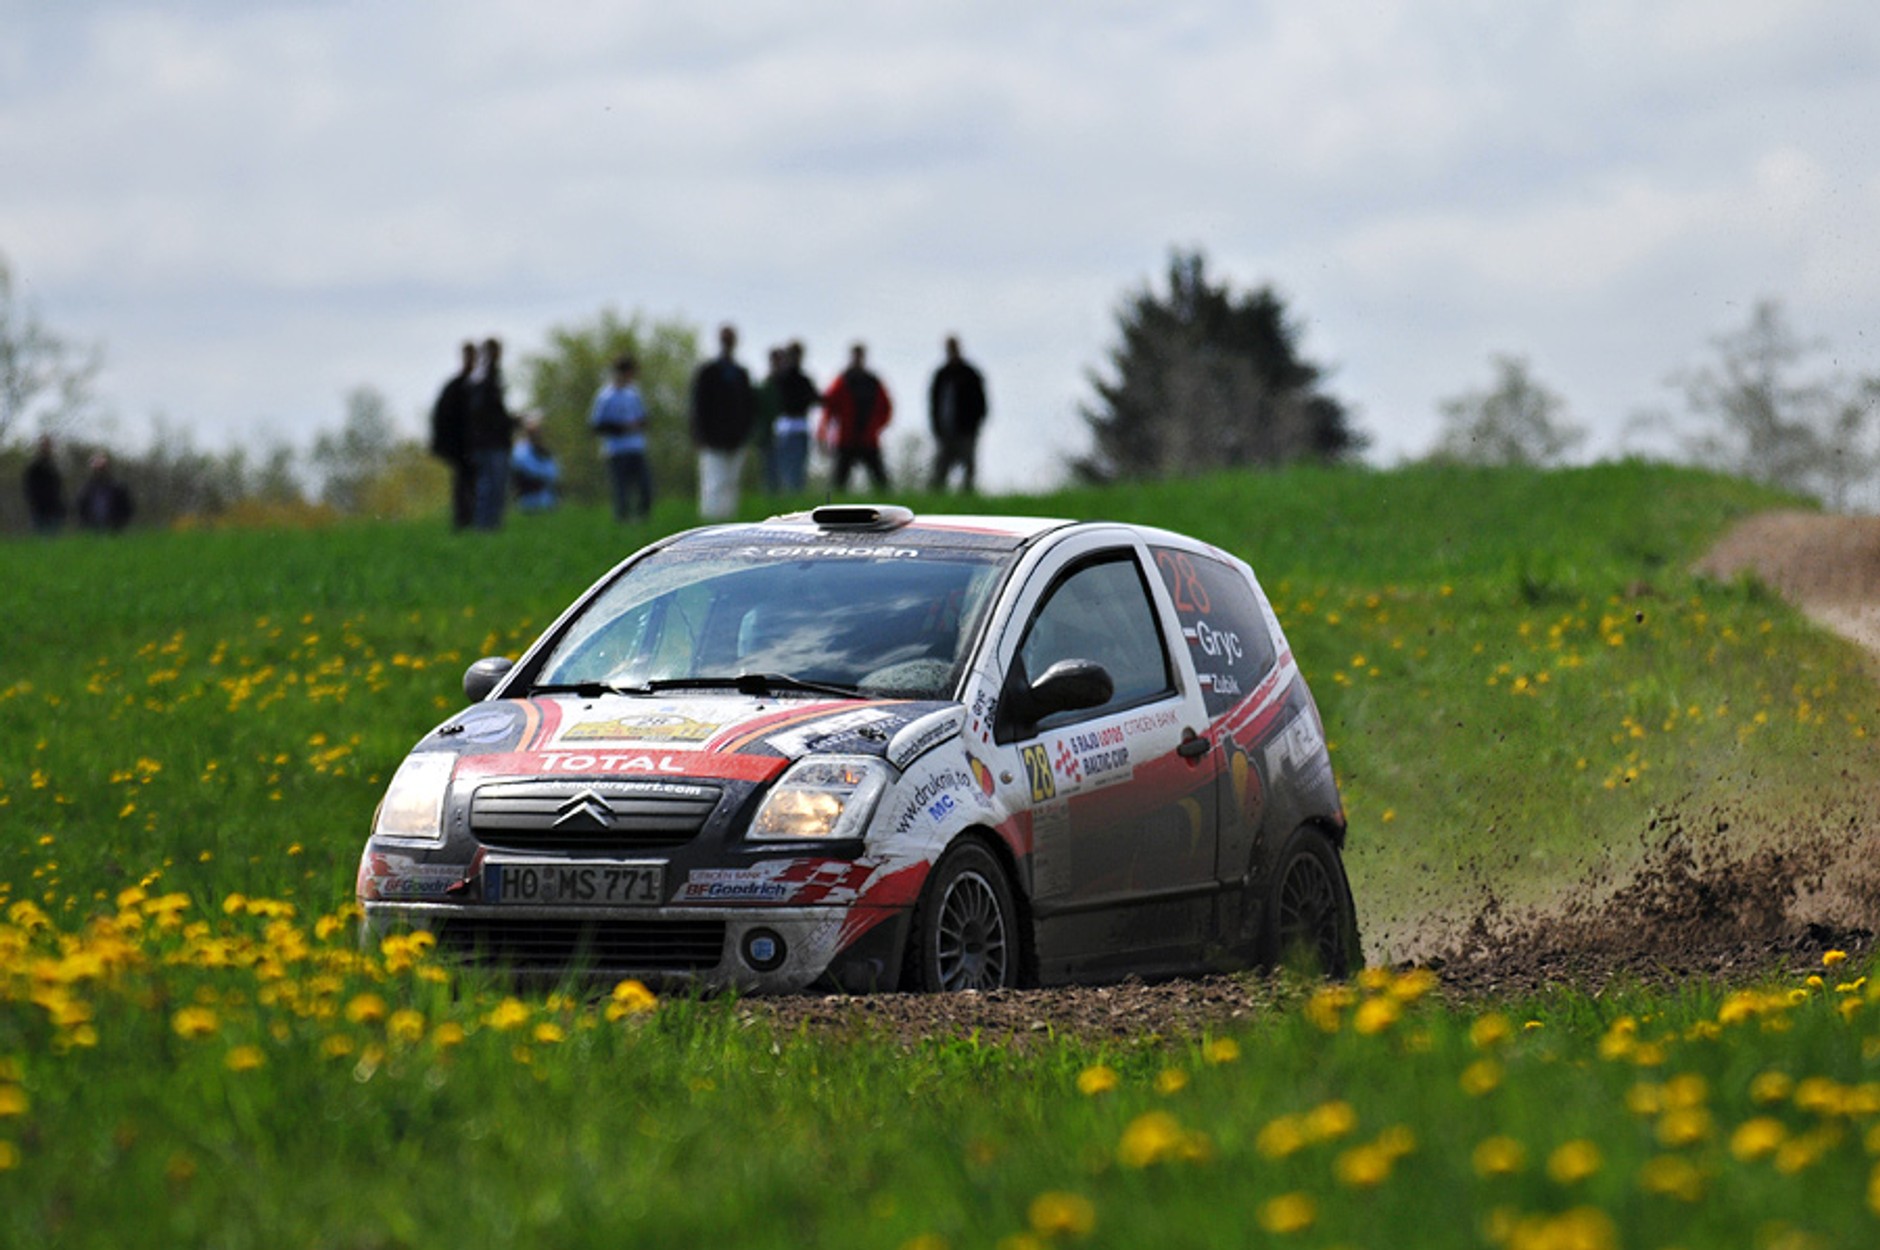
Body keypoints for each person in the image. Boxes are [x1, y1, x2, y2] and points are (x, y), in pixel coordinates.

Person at [689, 323, 754, 520]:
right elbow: (699, 405)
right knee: (714, 481)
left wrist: (745, 433)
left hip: (735, 438)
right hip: (712, 438)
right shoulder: (708, 372)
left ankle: (728, 518)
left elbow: (749, 406)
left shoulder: (740, 373)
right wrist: (700, 435)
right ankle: (711, 520)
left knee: (731, 482)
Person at [819, 342, 893, 493]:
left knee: (881, 482)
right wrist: (824, 433)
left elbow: (886, 407)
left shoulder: (873, 381)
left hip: (869, 437)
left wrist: (877, 426)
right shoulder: (842, 381)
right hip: (847, 437)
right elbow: (829, 407)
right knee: (839, 483)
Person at [590, 354, 652, 522]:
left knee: (645, 487)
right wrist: (622, 428)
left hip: (636, 447)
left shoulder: (634, 393)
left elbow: (644, 417)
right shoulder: (605, 396)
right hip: (616, 450)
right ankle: (622, 519)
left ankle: (642, 518)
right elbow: (597, 425)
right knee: (621, 489)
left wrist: (639, 424)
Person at [465, 337, 517, 530]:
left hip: (486, 441)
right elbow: (488, 412)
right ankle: (487, 527)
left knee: (490, 486)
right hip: (491, 442)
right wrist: (511, 421)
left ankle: (489, 527)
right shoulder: (487, 377)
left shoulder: (483, 376)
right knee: (491, 487)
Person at [928, 335, 989, 493]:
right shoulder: (941, 375)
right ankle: (936, 496)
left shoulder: (970, 373)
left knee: (968, 464)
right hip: (946, 430)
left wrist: (976, 423)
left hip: (967, 429)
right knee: (941, 466)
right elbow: (933, 403)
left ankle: (968, 494)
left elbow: (981, 401)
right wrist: (936, 426)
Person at [429, 341, 478, 529]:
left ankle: (471, 520)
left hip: (473, 445)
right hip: (459, 448)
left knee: (471, 484)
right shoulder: (456, 387)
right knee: (464, 484)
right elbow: (443, 419)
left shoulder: (473, 386)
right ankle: (463, 520)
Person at [771, 340, 819, 494]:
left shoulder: (797, 379)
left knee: (796, 466)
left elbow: (815, 398)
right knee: (787, 466)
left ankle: (794, 494)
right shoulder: (782, 379)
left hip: (798, 426)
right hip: (786, 426)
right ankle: (788, 494)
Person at [753, 347, 785, 493]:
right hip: (768, 436)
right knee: (770, 474)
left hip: (788, 434)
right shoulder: (765, 386)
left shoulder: (789, 384)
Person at [511, 416, 560, 513]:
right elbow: (527, 471)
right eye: (532, 432)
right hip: (527, 498)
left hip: (547, 498)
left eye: (537, 431)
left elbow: (554, 473)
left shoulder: (545, 452)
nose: (535, 435)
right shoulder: (519, 451)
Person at [75, 453, 133, 532]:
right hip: (92, 529)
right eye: (97, 469)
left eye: (101, 469)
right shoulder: (86, 490)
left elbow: (126, 507)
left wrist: (120, 523)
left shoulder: (118, 488)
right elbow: (81, 509)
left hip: (114, 529)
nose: (99, 472)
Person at [22, 435, 66, 535]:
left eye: (48, 446)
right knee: (40, 539)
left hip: (54, 509)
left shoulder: (55, 467)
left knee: (54, 539)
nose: (47, 448)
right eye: (44, 446)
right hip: (39, 510)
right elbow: (28, 488)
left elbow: (59, 488)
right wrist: (33, 503)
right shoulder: (34, 467)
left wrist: (61, 505)